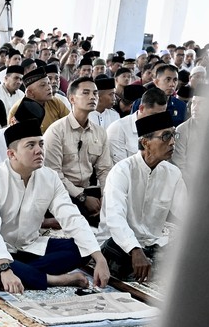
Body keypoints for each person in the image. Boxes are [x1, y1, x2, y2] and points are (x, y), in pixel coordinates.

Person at [0, 120, 110, 292]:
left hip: (29, 247)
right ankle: (54, 280)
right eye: (30, 145)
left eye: (41, 144)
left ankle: (23, 274)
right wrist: (4, 268)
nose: (39, 150)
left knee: (82, 249)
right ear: (11, 154)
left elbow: (71, 217)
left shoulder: (50, 177)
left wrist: (99, 258)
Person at [98, 111, 187, 282]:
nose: (173, 142)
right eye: (166, 136)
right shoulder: (122, 171)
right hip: (119, 243)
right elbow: (115, 219)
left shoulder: (173, 173)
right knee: (120, 259)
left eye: (174, 134)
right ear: (145, 142)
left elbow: (187, 214)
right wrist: (135, 250)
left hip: (152, 244)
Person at [42, 77, 113, 225]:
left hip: (88, 191)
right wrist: (82, 198)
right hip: (60, 193)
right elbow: (54, 175)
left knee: (115, 213)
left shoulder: (100, 133)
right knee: (81, 223)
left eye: (95, 93)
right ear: (72, 98)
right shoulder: (56, 131)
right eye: (86, 93)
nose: (92, 97)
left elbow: (105, 170)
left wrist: (106, 198)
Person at [107, 86, 167, 164]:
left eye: (162, 115)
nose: (158, 119)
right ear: (141, 108)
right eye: (154, 115)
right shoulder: (118, 129)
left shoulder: (163, 129)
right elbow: (121, 167)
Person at [8, 66, 69, 132]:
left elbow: (69, 122)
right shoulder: (17, 110)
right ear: (30, 93)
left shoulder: (55, 102)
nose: (49, 87)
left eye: (48, 83)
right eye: (43, 85)